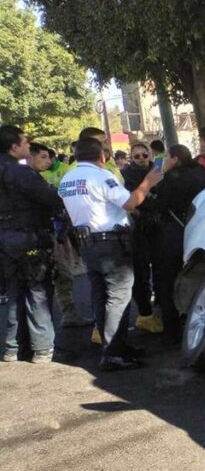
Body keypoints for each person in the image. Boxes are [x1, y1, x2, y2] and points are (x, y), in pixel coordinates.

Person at [58, 136, 162, 370]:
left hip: (86, 243)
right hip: (110, 244)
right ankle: (114, 352)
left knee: (100, 295)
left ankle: (115, 346)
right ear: (101, 156)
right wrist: (148, 182)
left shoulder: (68, 178)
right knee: (118, 296)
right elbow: (130, 202)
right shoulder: (101, 175)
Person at [0, 125, 65, 363]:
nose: (28, 146)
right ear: (14, 146)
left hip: (5, 239)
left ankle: (13, 347)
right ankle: (42, 347)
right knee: (37, 291)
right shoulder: (20, 173)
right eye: (25, 142)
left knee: (14, 292)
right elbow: (49, 199)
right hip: (28, 237)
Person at [148, 145, 205, 343]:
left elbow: (159, 203)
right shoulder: (200, 173)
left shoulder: (172, 178)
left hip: (173, 233)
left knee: (167, 279)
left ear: (174, 159)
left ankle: (172, 328)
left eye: (166, 157)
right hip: (200, 232)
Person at [28, 144, 91, 328]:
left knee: (62, 276)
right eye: (43, 157)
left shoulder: (35, 178)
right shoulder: (27, 180)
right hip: (36, 238)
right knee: (42, 285)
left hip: (49, 233)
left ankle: (68, 314)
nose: (49, 161)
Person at [121, 142, 163, 334]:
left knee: (162, 270)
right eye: (136, 156)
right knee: (141, 274)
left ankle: (160, 308)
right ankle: (145, 314)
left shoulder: (158, 171)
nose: (140, 159)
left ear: (150, 155)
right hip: (138, 230)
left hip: (158, 226)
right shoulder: (126, 175)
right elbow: (129, 201)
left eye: (144, 155)